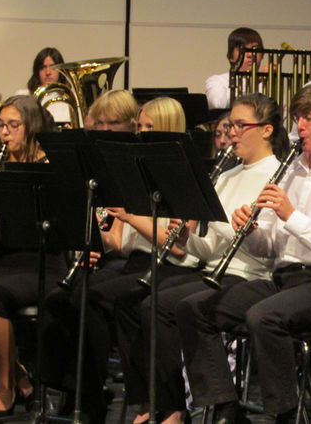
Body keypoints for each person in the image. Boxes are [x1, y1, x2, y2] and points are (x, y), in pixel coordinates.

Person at [177, 84, 311, 424]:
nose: (299, 126)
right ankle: (227, 407)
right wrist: (250, 233)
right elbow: (271, 246)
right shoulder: (293, 170)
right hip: (285, 278)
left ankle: (286, 415)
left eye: (309, 118)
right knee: (194, 309)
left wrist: (291, 216)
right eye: (298, 118)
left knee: (264, 316)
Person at [115, 93, 289, 424]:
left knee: (180, 307)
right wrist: (188, 239)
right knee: (150, 304)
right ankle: (172, 404)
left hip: (252, 276)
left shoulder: (279, 174)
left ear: (266, 130)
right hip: (217, 270)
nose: (232, 132)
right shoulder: (226, 176)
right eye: (231, 125)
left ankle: (214, 406)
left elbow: (267, 249)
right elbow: (209, 249)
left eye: (241, 125)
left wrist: (227, 228)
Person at [40, 89, 140, 424]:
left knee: (86, 298)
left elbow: (125, 239)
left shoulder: (134, 165)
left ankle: (90, 396)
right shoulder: (92, 167)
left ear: (132, 126)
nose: (107, 130)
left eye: (116, 123)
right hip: (103, 257)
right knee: (56, 299)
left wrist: (104, 241)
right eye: (102, 123)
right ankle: (69, 387)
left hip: (132, 258)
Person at [0, 95, 62, 421]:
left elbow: (51, 225)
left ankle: (5, 382)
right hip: (5, 260)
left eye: (13, 125)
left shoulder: (47, 167)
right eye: (0, 126)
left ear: (32, 127)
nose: (5, 133)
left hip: (42, 261)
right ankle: (18, 373)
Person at [205, 28, 265, 110]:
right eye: (243, 50)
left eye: (255, 49)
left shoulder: (269, 84)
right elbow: (218, 105)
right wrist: (255, 81)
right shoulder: (217, 81)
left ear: (262, 55)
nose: (250, 55)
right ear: (231, 57)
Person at [15, 47, 70, 123]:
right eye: (43, 68)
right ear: (37, 71)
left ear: (60, 70)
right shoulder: (22, 97)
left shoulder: (71, 98)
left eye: (52, 67)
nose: (48, 72)